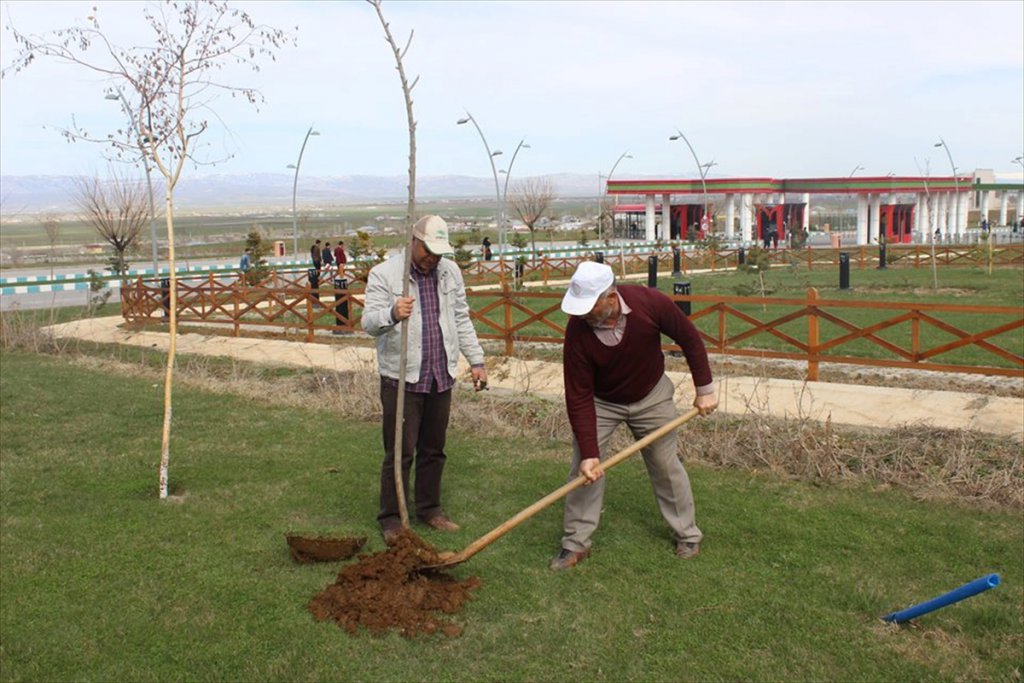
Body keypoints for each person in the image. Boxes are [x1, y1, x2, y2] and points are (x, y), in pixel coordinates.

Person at [550, 261, 717, 570]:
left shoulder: (649, 302)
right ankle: (575, 543)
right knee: (585, 470)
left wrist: (704, 389)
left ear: (611, 297)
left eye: (589, 306)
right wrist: (590, 452)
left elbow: (690, 338)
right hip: (602, 402)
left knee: (665, 464)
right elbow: (579, 395)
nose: (582, 314)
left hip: (651, 396)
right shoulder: (577, 331)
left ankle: (687, 534)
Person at [362, 215, 488, 544]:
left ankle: (429, 509)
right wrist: (391, 313)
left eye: (438, 252)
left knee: (434, 449)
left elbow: (461, 318)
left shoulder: (449, 272)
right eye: (428, 251)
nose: (433, 258)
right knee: (400, 452)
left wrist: (476, 360)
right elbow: (368, 322)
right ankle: (391, 518)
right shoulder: (386, 275)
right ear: (414, 242)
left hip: (439, 375)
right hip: (402, 378)